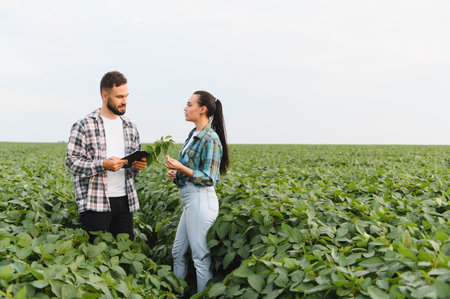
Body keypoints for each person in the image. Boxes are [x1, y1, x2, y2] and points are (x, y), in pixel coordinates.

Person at [65, 71, 147, 242]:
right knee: (95, 257)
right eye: (119, 96)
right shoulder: (84, 125)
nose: (124, 101)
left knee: (125, 254)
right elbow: (71, 163)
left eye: (126, 96)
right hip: (95, 202)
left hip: (125, 201)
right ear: (105, 95)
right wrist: (102, 164)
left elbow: (131, 170)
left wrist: (136, 166)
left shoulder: (130, 127)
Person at [164, 90, 229, 294]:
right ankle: (177, 294)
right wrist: (177, 174)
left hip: (201, 201)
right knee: (178, 252)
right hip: (191, 200)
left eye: (189, 104)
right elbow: (192, 172)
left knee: (200, 257)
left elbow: (209, 178)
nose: (185, 108)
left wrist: (181, 168)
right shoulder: (193, 135)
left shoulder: (210, 138)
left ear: (202, 109)